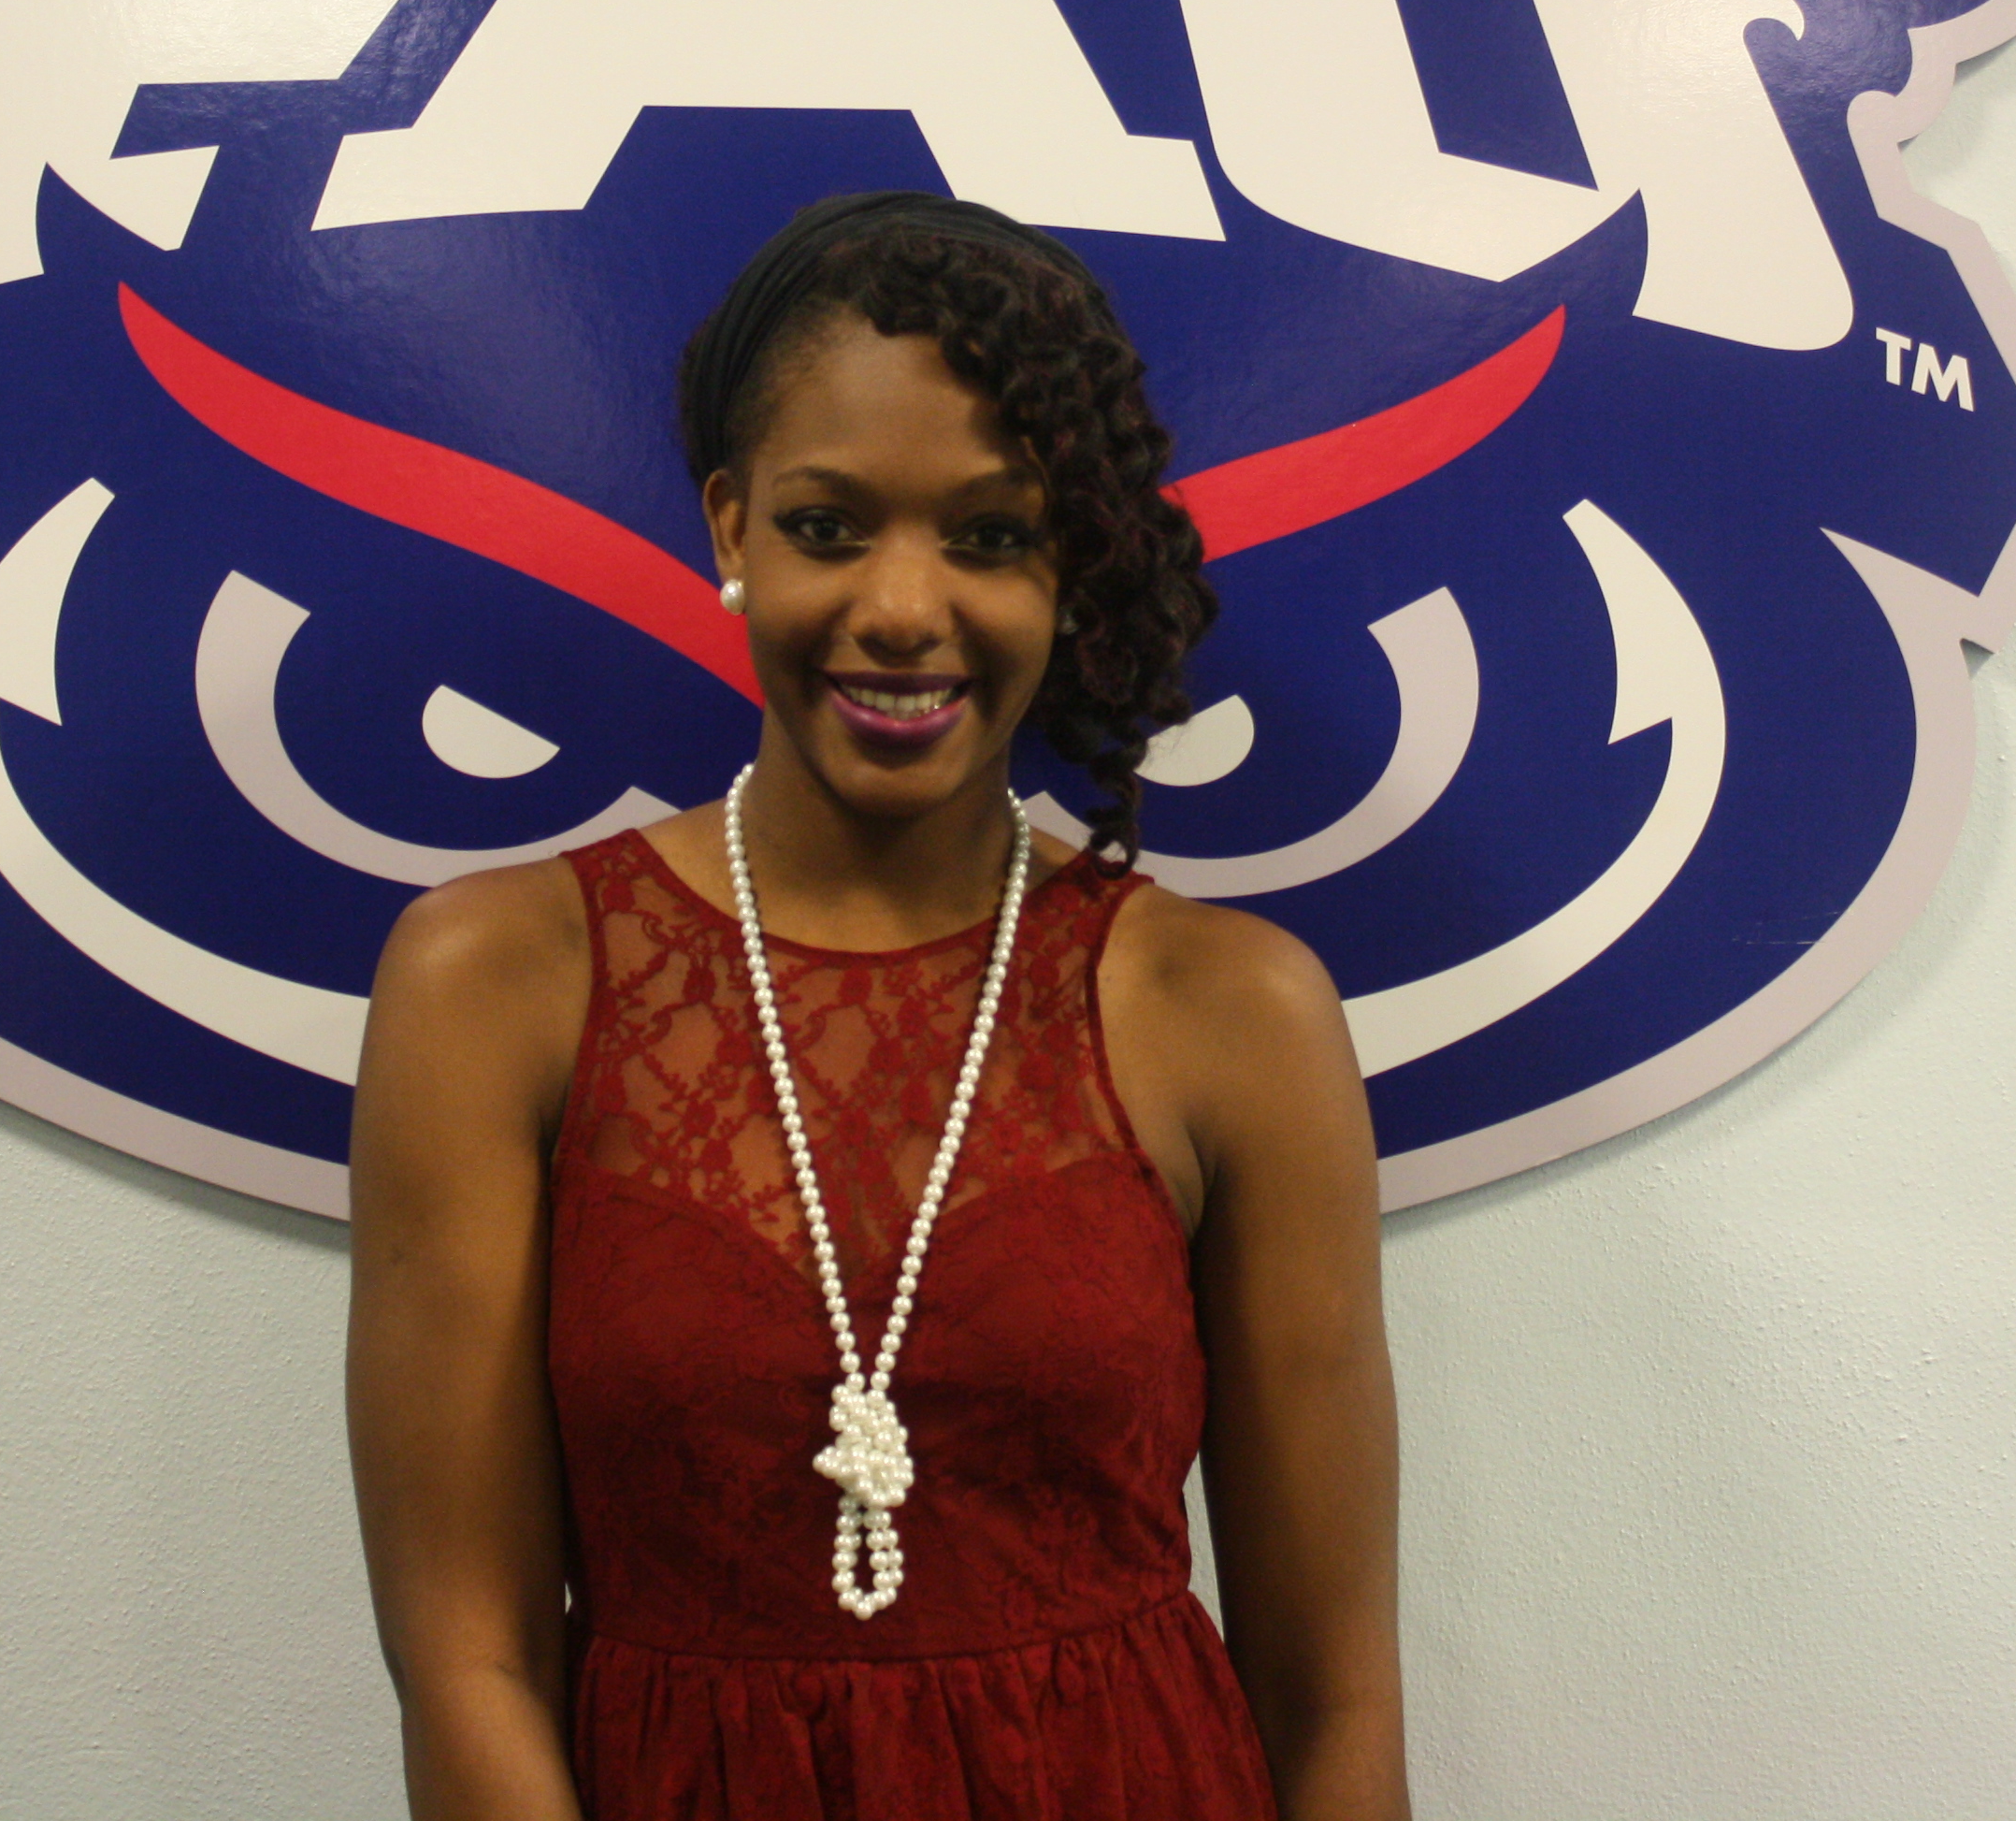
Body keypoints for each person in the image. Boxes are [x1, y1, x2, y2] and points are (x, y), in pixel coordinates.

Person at [348, 190, 1406, 1820]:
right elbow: (466, 1655)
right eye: (830, 526)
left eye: (989, 536)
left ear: (1070, 560)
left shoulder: (1234, 1009)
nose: (905, 609)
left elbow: (1331, 1691)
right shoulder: (494, 982)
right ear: (731, 529)